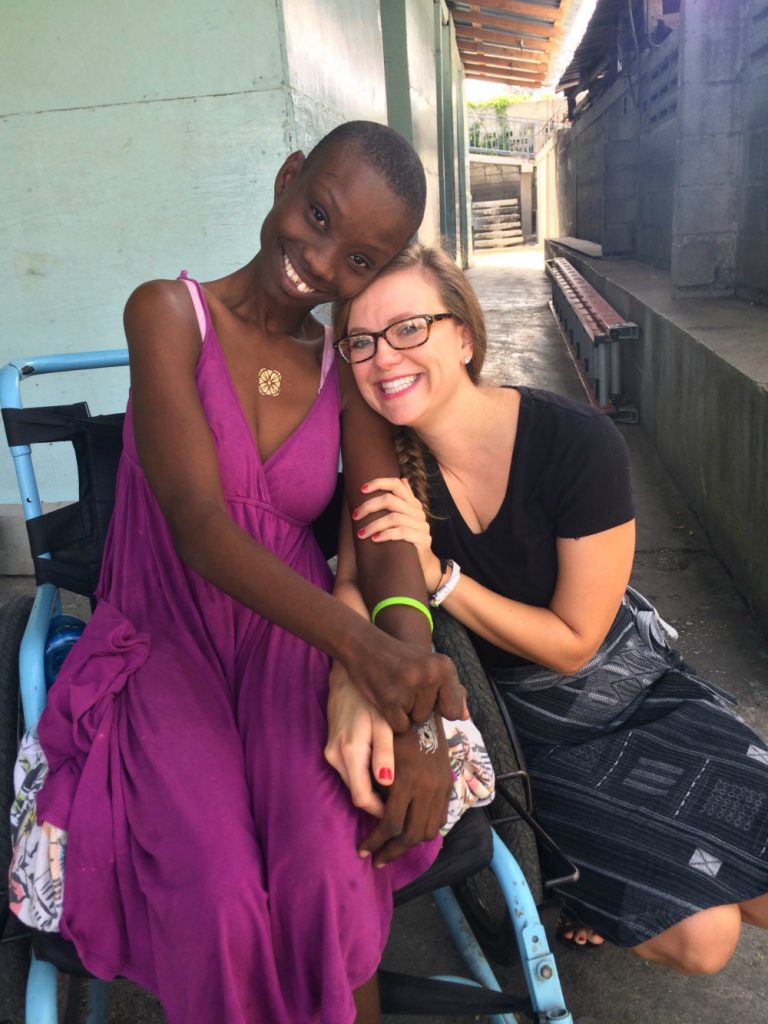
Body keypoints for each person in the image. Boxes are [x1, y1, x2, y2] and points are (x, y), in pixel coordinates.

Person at [19, 125, 469, 1024]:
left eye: (356, 258)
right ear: (289, 175)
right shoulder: (165, 312)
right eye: (316, 214)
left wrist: (411, 688)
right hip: (167, 638)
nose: (317, 261)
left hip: (287, 642)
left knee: (326, 868)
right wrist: (363, 650)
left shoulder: (341, 367)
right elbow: (196, 524)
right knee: (215, 889)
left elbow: (383, 529)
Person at [327, 241, 768, 975]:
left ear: (464, 337)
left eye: (410, 328)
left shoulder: (575, 442)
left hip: (626, 689)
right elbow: (350, 581)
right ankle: (593, 897)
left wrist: (441, 579)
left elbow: (574, 643)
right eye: (362, 342)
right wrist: (349, 680)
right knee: (706, 940)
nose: (382, 357)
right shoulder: (386, 466)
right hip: (531, 733)